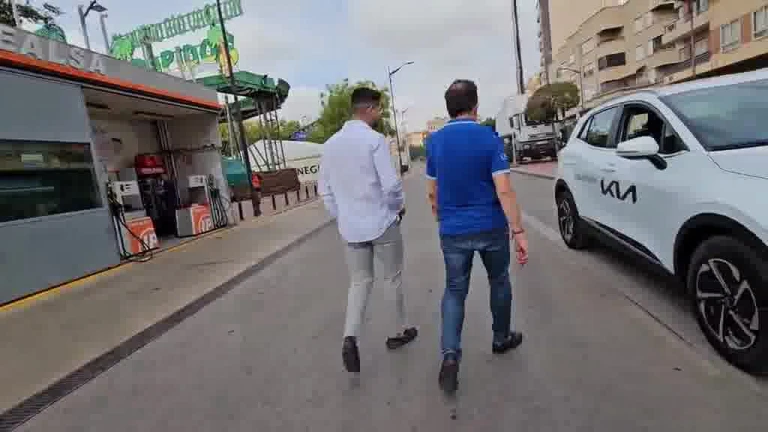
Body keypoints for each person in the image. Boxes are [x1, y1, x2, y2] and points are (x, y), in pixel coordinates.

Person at [425, 79, 529, 394]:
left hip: (453, 230)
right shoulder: (489, 138)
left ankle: (450, 354)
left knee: (455, 290)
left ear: (449, 108)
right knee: (499, 280)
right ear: (475, 105)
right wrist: (518, 231)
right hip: (491, 227)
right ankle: (501, 338)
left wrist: (442, 217)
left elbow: (432, 191)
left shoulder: (435, 142)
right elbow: (504, 190)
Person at [319, 87, 418, 374]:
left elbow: (324, 191)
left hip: (350, 229)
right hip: (382, 223)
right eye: (379, 109)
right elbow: (391, 185)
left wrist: (342, 217)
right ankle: (399, 330)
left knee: (359, 282)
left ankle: (349, 337)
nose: (380, 114)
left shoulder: (330, 145)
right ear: (371, 109)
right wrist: (396, 209)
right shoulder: (374, 141)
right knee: (392, 278)